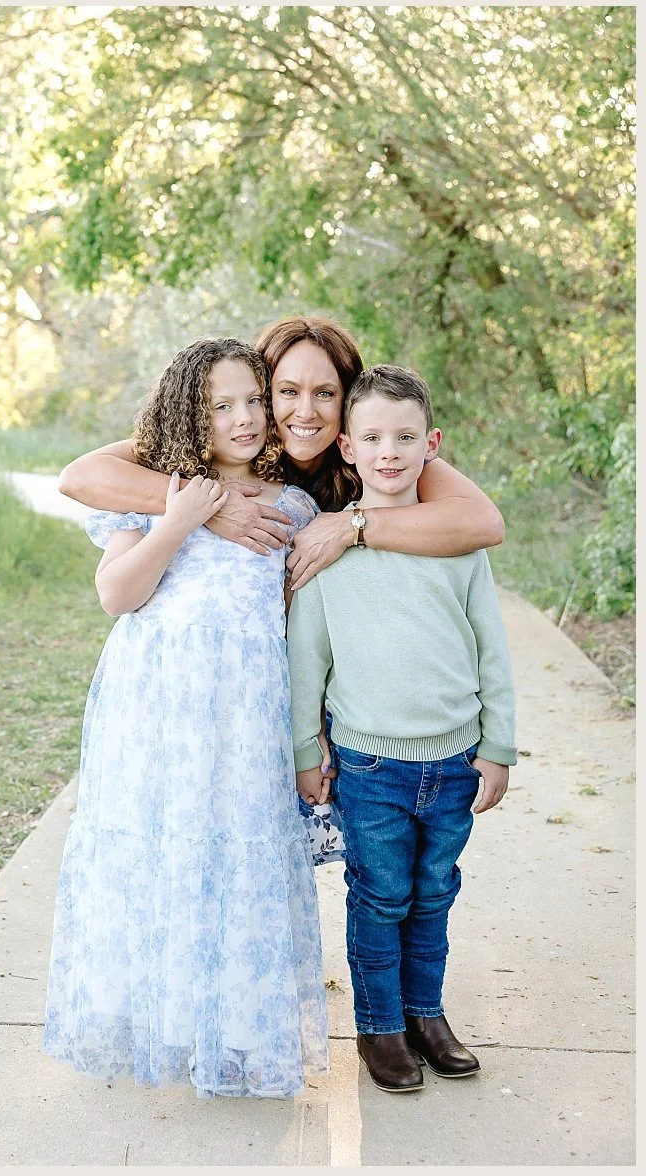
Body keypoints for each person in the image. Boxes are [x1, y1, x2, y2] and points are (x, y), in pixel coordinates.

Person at [60, 310, 507, 870]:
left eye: (325, 393)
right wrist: (211, 505)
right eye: (285, 391)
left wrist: (353, 524)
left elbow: (484, 522)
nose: (304, 411)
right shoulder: (229, 449)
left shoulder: (375, 457)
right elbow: (80, 477)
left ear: (348, 406)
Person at [42, 338, 326, 1099]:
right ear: (185, 417)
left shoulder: (292, 508)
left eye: (252, 401)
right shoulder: (155, 495)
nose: (243, 418)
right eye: (219, 406)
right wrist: (180, 518)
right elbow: (118, 596)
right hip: (156, 716)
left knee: (235, 862)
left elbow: (298, 627)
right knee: (159, 857)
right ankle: (164, 1024)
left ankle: (233, 1033)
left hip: (243, 720)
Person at [290, 365, 515, 1094]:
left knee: (433, 893)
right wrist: (305, 751)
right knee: (379, 895)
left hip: (452, 762)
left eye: (406, 437)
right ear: (347, 449)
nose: (390, 451)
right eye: (374, 438)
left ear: (432, 444)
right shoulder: (328, 553)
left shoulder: (458, 547)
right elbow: (306, 665)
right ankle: (380, 1027)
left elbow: (492, 651)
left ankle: (428, 1016)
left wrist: (499, 747)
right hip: (369, 767)